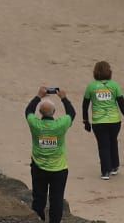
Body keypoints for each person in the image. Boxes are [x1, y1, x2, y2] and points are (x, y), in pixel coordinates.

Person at [24, 87, 75, 223]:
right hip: (58, 169)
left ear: (40, 113)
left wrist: (38, 96)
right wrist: (64, 98)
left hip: (39, 167)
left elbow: (28, 111)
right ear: (54, 112)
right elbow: (72, 113)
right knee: (57, 199)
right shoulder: (60, 125)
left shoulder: (36, 125)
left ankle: (38, 219)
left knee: (38, 198)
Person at [81, 60, 124, 178]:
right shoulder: (114, 85)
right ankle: (114, 166)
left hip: (99, 122)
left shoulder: (91, 86)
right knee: (113, 141)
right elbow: (122, 103)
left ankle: (105, 171)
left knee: (103, 145)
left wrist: (85, 121)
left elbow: (85, 105)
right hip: (114, 121)